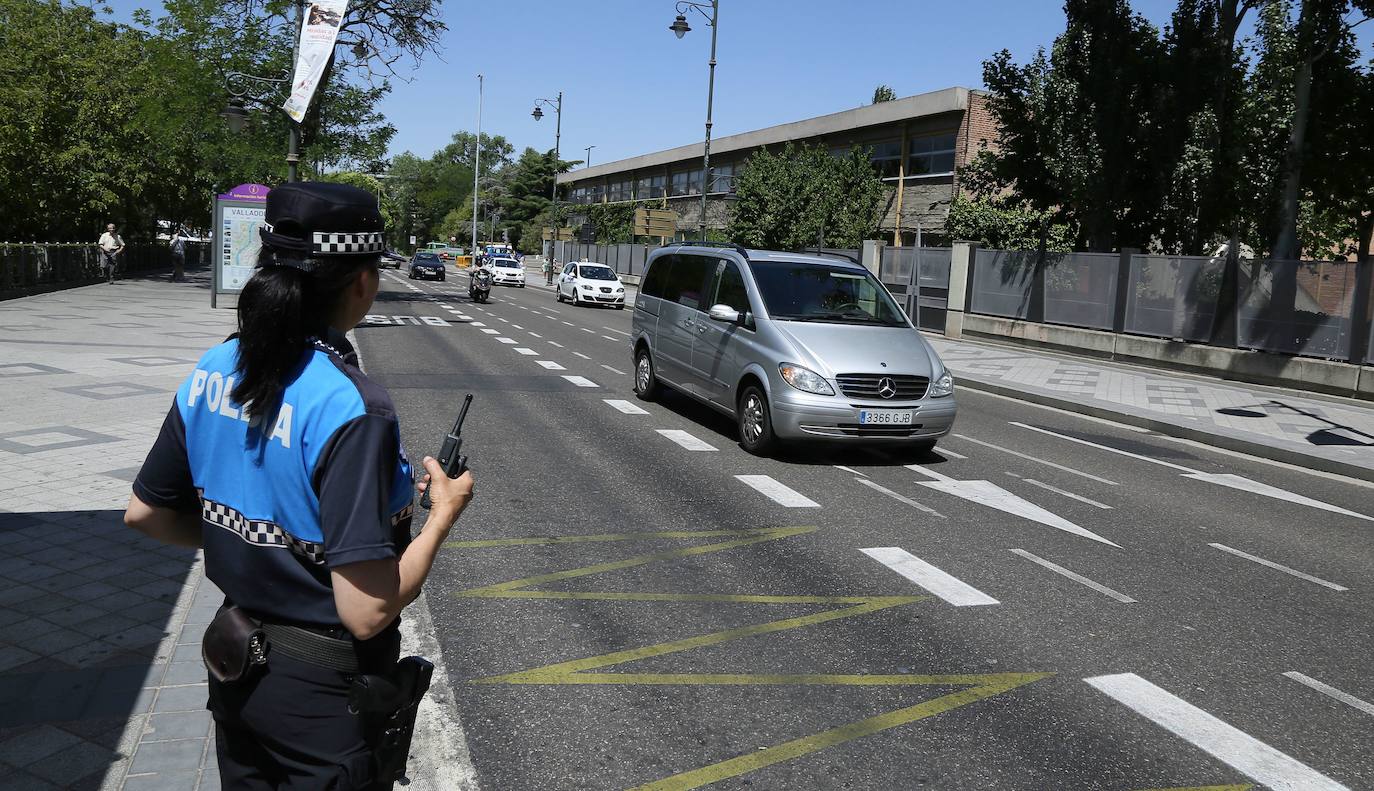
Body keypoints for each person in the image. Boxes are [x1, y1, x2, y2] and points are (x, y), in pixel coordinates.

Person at [123, 182, 475, 789]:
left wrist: (249, 545)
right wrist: (442, 515)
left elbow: (144, 514)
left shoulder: (215, 367)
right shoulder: (350, 405)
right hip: (321, 700)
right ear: (362, 282)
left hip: (235, 668)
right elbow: (366, 612)